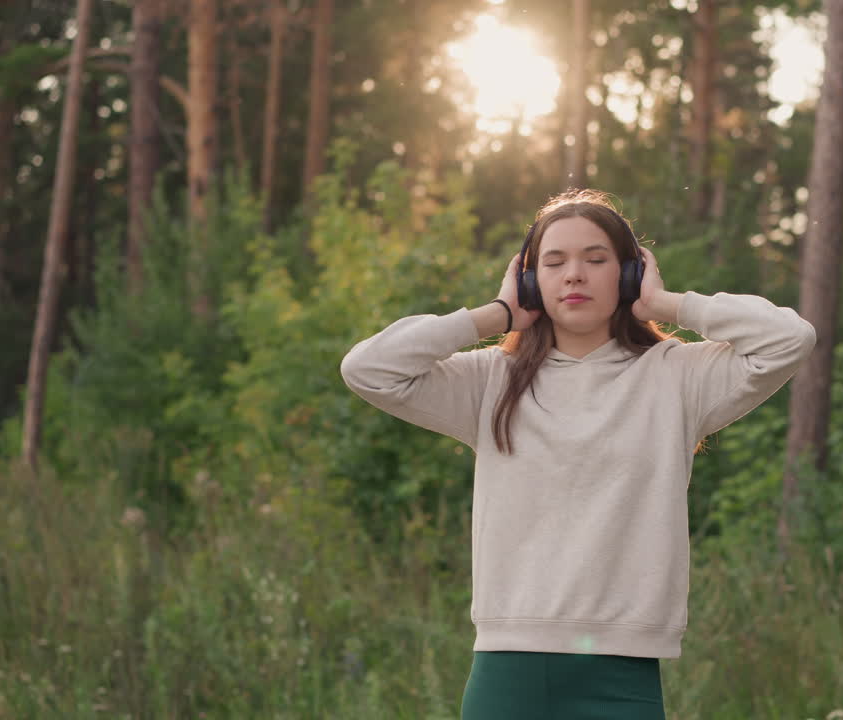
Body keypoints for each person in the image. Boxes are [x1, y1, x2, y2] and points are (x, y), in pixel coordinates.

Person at [340, 189, 816, 719]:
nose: (574, 275)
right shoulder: (489, 382)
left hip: (623, 674)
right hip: (509, 672)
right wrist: (494, 315)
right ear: (529, 281)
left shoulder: (678, 376)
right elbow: (367, 368)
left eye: (596, 259)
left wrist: (667, 304)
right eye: (554, 261)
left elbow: (789, 338)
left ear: (629, 275)